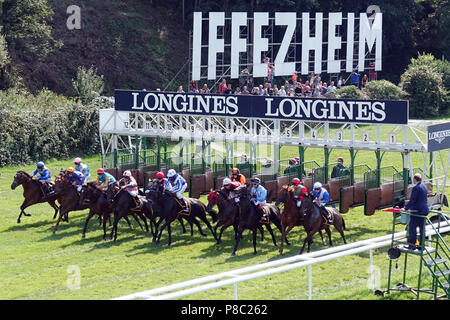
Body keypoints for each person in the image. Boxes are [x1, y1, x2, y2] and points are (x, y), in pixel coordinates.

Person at [402, 173, 430, 251]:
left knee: (412, 228)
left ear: (415, 179)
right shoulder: (424, 186)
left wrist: (406, 208)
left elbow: (413, 200)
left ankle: (412, 244)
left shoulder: (416, 188)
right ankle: (422, 245)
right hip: (424, 210)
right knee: (422, 229)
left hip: (417, 211)